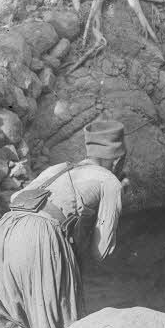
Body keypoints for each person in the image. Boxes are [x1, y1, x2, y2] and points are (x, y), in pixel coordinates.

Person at [31, 119, 129, 311]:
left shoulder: (56, 169)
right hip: (41, 238)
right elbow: (99, 252)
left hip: (4, 231)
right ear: (117, 159)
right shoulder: (110, 182)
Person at [0, 186, 82, 328]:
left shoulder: (51, 173)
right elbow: (101, 250)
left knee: (7, 316)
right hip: (41, 232)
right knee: (58, 324)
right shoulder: (110, 183)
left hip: (4, 226)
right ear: (117, 162)